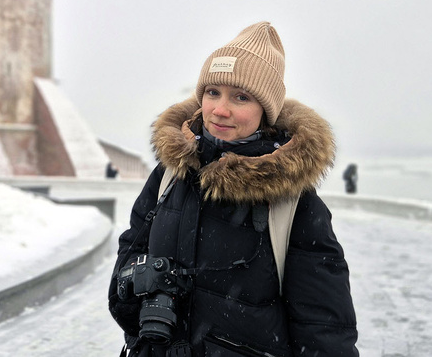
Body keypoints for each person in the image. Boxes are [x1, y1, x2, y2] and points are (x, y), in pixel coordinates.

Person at [109, 22, 358, 357]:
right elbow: (130, 250)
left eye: (241, 97)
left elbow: (324, 327)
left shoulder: (292, 203)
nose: (220, 110)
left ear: (266, 112)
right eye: (213, 92)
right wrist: (133, 290)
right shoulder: (171, 174)